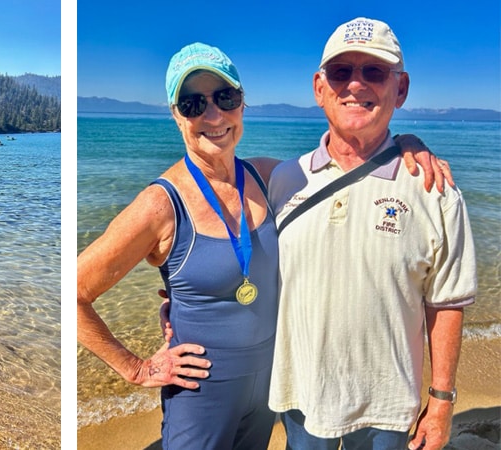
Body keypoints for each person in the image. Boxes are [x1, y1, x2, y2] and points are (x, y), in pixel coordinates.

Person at [77, 43, 451, 449]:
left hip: (270, 390)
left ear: (242, 103)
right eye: (192, 103)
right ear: (175, 114)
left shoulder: (270, 176)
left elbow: (344, 161)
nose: (214, 115)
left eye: (226, 97)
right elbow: (75, 292)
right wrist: (136, 369)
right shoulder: (160, 205)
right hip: (202, 393)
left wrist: (406, 145)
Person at [266, 18, 475, 450]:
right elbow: (218, 206)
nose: (355, 86)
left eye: (374, 72)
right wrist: (183, 297)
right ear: (319, 88)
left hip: (388, 404)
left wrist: (441, 403)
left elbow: (446, 302)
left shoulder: (435, 190)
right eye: (341, 72)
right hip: (301, 395)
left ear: (400, 89)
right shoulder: (284, 180)